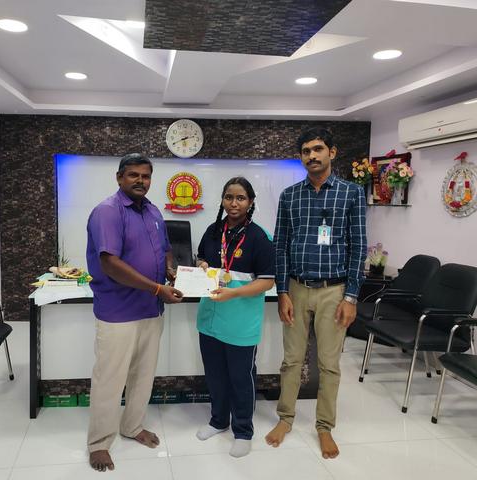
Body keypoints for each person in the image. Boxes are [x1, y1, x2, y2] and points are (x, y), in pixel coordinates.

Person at [265, 127, 367, 459]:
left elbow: (358, 247)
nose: (312, 155)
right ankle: (285, 419)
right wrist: (282, 291)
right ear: (301, 157)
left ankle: (324, 427)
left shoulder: (351, 193)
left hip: (334, 291)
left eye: (318, 149)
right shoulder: (290, 195)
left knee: (329, 364)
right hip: (296, 288)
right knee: (291, 360)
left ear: (331, 153)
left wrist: (351, 297)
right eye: (306, 151)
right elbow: (280, 246)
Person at [85, 153, 183, 472]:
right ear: (119, 177)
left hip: (150, 310)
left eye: (146, 176)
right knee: (110, 380)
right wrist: (157, 288)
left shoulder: (153, 211)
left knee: (143, 374)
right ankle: (99, 443)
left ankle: (132, 426)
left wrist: (170, 270)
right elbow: (110, 264)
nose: (141, 181)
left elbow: (166, 249)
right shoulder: (107, 211)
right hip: (118, 311)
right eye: (133, 175)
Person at [194, 176, 275, 458]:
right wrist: (201, 264)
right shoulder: (213, 230)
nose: (234, 203)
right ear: (222, 200)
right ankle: (218, 421)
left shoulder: (259, 238)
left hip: (241, 323)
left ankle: (243, 431)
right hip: (210, 318)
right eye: (229, 197)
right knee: (215, 376)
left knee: (241, 378)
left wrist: (234, 293)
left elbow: (267, 281)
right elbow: (200, 258)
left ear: (250, 202)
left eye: (240, 198)